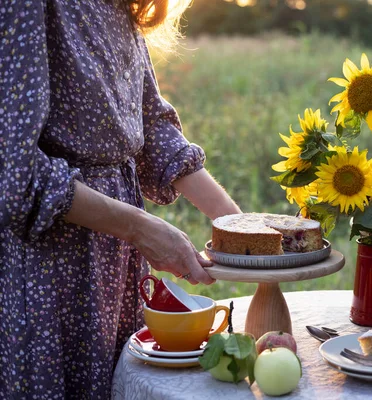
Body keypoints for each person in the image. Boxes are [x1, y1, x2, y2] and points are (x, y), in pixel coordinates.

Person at [0, 0, 241, 398]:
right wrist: (140, 227)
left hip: (118, 266)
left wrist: (237, 227)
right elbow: (14, 171)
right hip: (53, 265)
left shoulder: (120, 5)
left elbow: (153, 129)